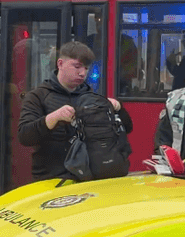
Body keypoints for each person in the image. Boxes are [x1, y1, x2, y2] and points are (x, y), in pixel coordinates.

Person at [18, 41, 133, 182]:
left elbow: (127, 128)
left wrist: (118, 108)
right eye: (77, 66)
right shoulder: (38, 96)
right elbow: (24, 136)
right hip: (51, 177)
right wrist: (52, 118)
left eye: (86, 68)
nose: (82, 73)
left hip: (87, 176)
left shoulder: (92, 98)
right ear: (60, 64)